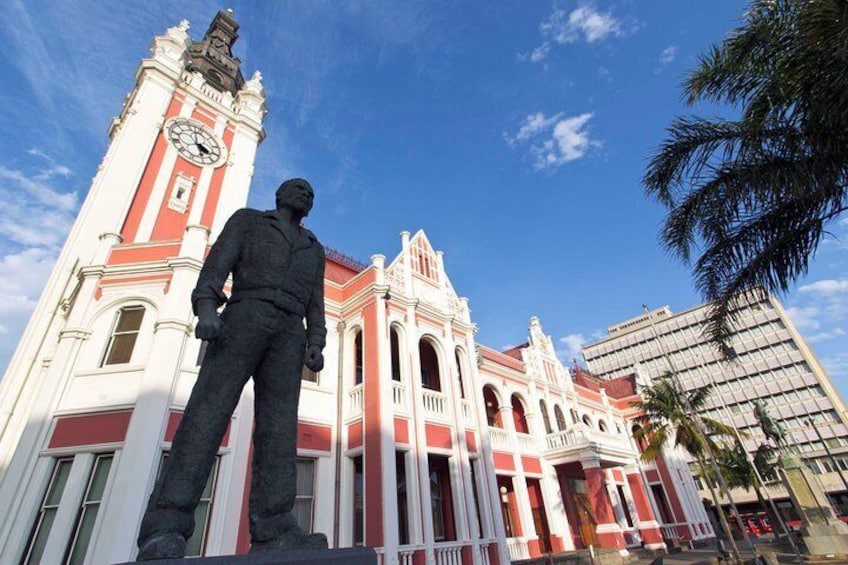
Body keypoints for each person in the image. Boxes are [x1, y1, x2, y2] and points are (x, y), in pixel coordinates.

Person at [137, 178, 327, 560]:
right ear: (280, 196)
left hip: (290, 333)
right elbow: (215, 268)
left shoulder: (313, 249)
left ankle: (274, 526)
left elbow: (316, 302)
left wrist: (317, 342)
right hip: (244, 315)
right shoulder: (248, 222)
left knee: (279, 428)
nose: (305, 194)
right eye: (298, 189)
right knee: (207, 413)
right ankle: (166, 525)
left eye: (310, 192)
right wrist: (207, 308)